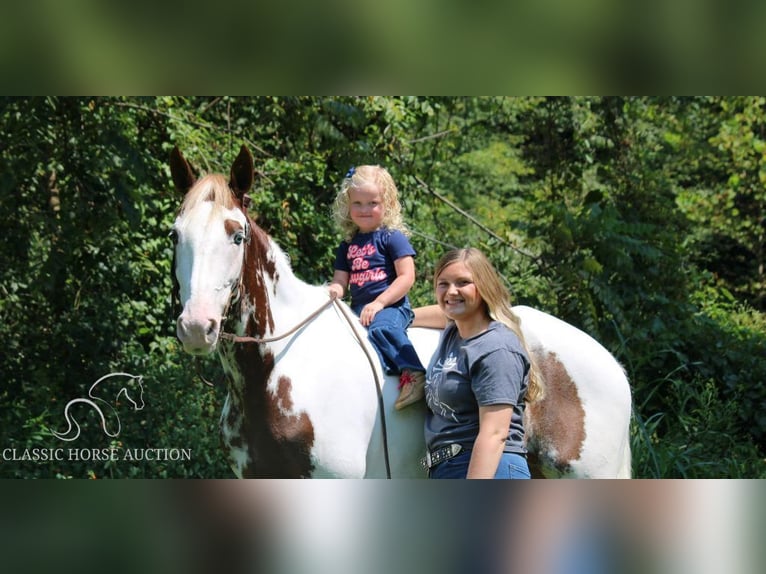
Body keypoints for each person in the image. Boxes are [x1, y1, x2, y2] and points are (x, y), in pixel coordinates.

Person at [412, 248, 542, 479]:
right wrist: (389, 316)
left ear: (483, 287)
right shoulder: (454, 332)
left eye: (463, 282)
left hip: (490, 468)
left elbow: (495, 434)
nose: (451, 291)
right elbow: (439, 312)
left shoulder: (496, 347)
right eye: (443, 284)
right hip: (449, 467)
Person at [328, 165, 426, 410]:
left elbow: (406, 276)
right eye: (357, 203)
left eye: (372, 203)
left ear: (387, 204)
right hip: (359, 309)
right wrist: (333, 292)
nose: (364, 210)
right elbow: (341, 281)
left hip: (391, 307)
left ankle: (414, 374)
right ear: (347, 206)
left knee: (382, 329)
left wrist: (380, 302)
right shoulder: (347, 244)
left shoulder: (392, 237)